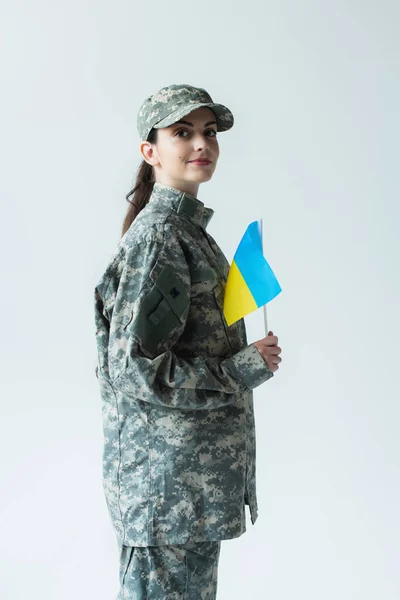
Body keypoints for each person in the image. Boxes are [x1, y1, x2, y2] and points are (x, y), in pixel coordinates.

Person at [93, 83, 282, 599]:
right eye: (183, 132)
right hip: (166, 494)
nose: (202, 143)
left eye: (209, 132)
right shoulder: (161, 239)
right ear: (150, 151)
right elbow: (133, 369)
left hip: (186, 494)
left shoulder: (187, 233)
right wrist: (240, 369)